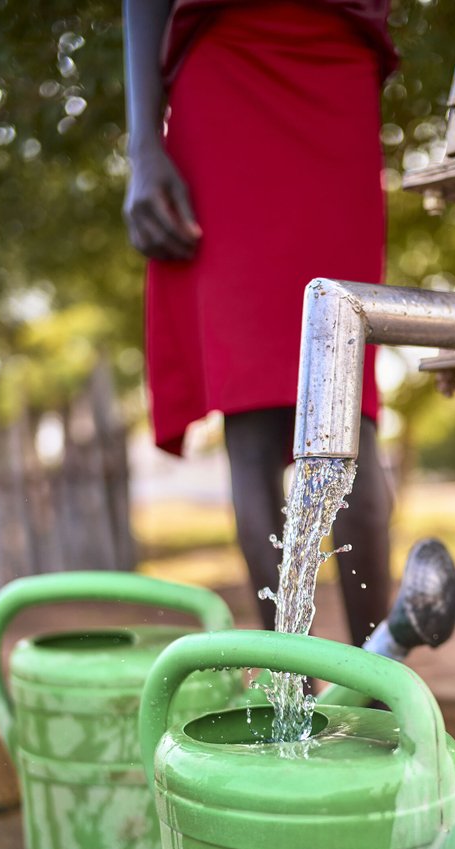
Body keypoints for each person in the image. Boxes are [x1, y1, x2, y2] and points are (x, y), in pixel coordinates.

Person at [122, 0, 396, 646]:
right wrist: (142, 147)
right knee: (256, 412)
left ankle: (373, 688)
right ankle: (297, 695)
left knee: (347, 395)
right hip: (226, 63)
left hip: (335, 63)